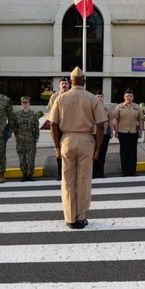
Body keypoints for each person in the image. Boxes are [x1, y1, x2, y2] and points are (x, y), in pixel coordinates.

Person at [50, 67, 106, 229]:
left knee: (67, 181)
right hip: (86, 140)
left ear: (70, 81)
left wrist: (56, 147)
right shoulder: (92, 99)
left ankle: (70, 218)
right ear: (85, 81)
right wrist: (97, 149)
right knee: (84, 180)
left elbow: (53, 124)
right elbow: (101, 126)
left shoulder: (61, 98)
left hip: (67, 139)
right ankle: (81, 217)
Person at [113, 88, 143, 177]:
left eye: (131, 96)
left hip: (133, 132)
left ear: (133, 97)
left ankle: (132, 171)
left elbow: (140, 120)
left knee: (133, 152)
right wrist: (116, 131)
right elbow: (116, 119)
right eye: (127, 96)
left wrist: (141, 131)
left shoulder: (137, 107)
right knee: (124, 152)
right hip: (123, 132)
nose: (129, 97)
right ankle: (124, 171)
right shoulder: (119, 107)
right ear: (124, 97)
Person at [47, 77, 70, 180]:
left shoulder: (71, 96)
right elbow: (51, 112)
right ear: (59, 85)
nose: (64, 85)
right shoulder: (54, 97)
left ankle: (68, 173)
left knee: (69, 151)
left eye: (66, 83)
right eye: (62, 83)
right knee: (58, 150)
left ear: (69, 85)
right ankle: (60, 174)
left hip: (69, 127)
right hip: (57, 127)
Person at [12, 96, 40, 181]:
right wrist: (17, 136)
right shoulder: (17, 115)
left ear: (29, 104)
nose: (25, 104)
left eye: (26, 103)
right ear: (21, 104)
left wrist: (37, 137)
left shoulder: (33, 114)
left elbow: (36, 127)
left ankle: (30, 174)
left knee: (31, 157)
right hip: (20, 140)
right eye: (23, 103)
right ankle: (24, 174)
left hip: (30, 139)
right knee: (22, 157)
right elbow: (15, 127)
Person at [92, 91, 114, 178]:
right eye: (97, 96)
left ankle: (101, 172)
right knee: (93, 153)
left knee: (102, 153)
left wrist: (111, 132)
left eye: (101, 96)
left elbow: (110, 121)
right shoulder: (91, 107)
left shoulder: (107, 108)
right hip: (93, 133)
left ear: (103, 98)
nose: (99, 98)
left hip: (104, 134)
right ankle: (93, 173)